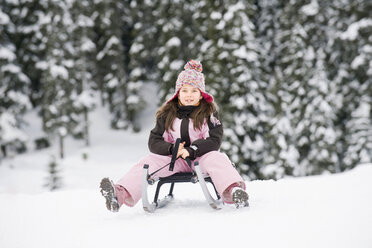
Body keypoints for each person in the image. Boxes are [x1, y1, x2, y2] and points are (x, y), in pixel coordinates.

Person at [100, 60, 249, 212]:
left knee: (217, 158)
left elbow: (214, 140)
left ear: (201, 94)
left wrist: (192, 150)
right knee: (147, 162)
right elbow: (154, 141)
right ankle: (119, 194)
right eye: (184, 90)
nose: (189, 95)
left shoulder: (208, 114)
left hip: (201, 159)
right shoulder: (167, 114)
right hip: (174, 160)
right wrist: (172, 149)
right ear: (178, 93)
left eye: (194, 91)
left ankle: (234, 190)